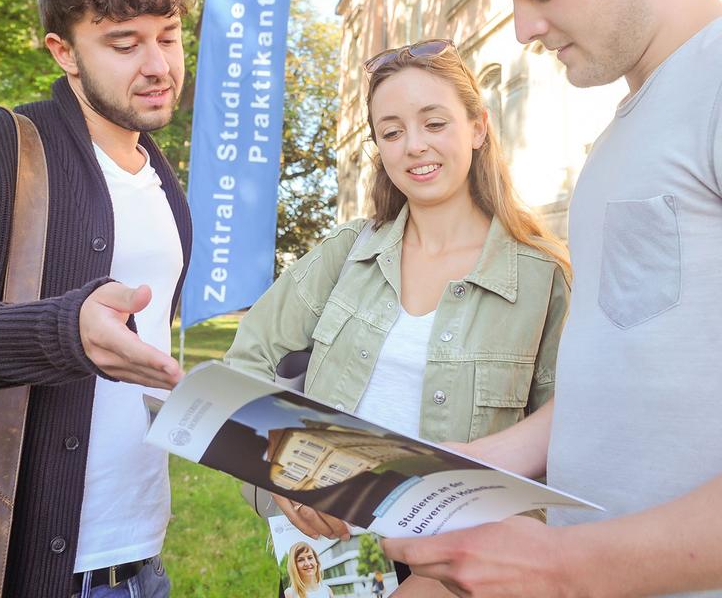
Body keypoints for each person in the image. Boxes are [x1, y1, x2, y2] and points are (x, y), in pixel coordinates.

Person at [383, 0, 722, 598]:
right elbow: (629, 368)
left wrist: (565, 568)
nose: (526, 27)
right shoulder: (621, 134)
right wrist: (471, 467)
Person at [0, 0, 194, 598]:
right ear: (63, 51)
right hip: (13, 570)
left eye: (169, 35)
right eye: (125, 44)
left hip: (140, 567)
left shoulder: (166, 186)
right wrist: (63, 332)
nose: (158, 63)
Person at [225, 38, 571, 544]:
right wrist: (276, 475)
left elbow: (568, 439)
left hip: (459, 572)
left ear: (478, 128)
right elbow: (245, 363)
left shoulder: (542, 277)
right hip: (324, 561)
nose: (414, 146)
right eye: (392, 132)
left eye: (435, 123)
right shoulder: (346, 253)